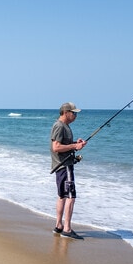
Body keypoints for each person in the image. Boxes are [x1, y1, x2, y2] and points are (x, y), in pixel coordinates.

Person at [51, 102, 86, 240]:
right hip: (64, 166)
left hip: (62, 166)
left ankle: (59, 225)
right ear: (66, 113)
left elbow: (63, 145)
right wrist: (74, 146)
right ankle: (67, 229)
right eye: (74, 113)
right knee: (71, 197)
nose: (75, 116)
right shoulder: (60, 126)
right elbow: (56, 147)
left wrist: (75, 144)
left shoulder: (63, 127)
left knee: (62, 196)